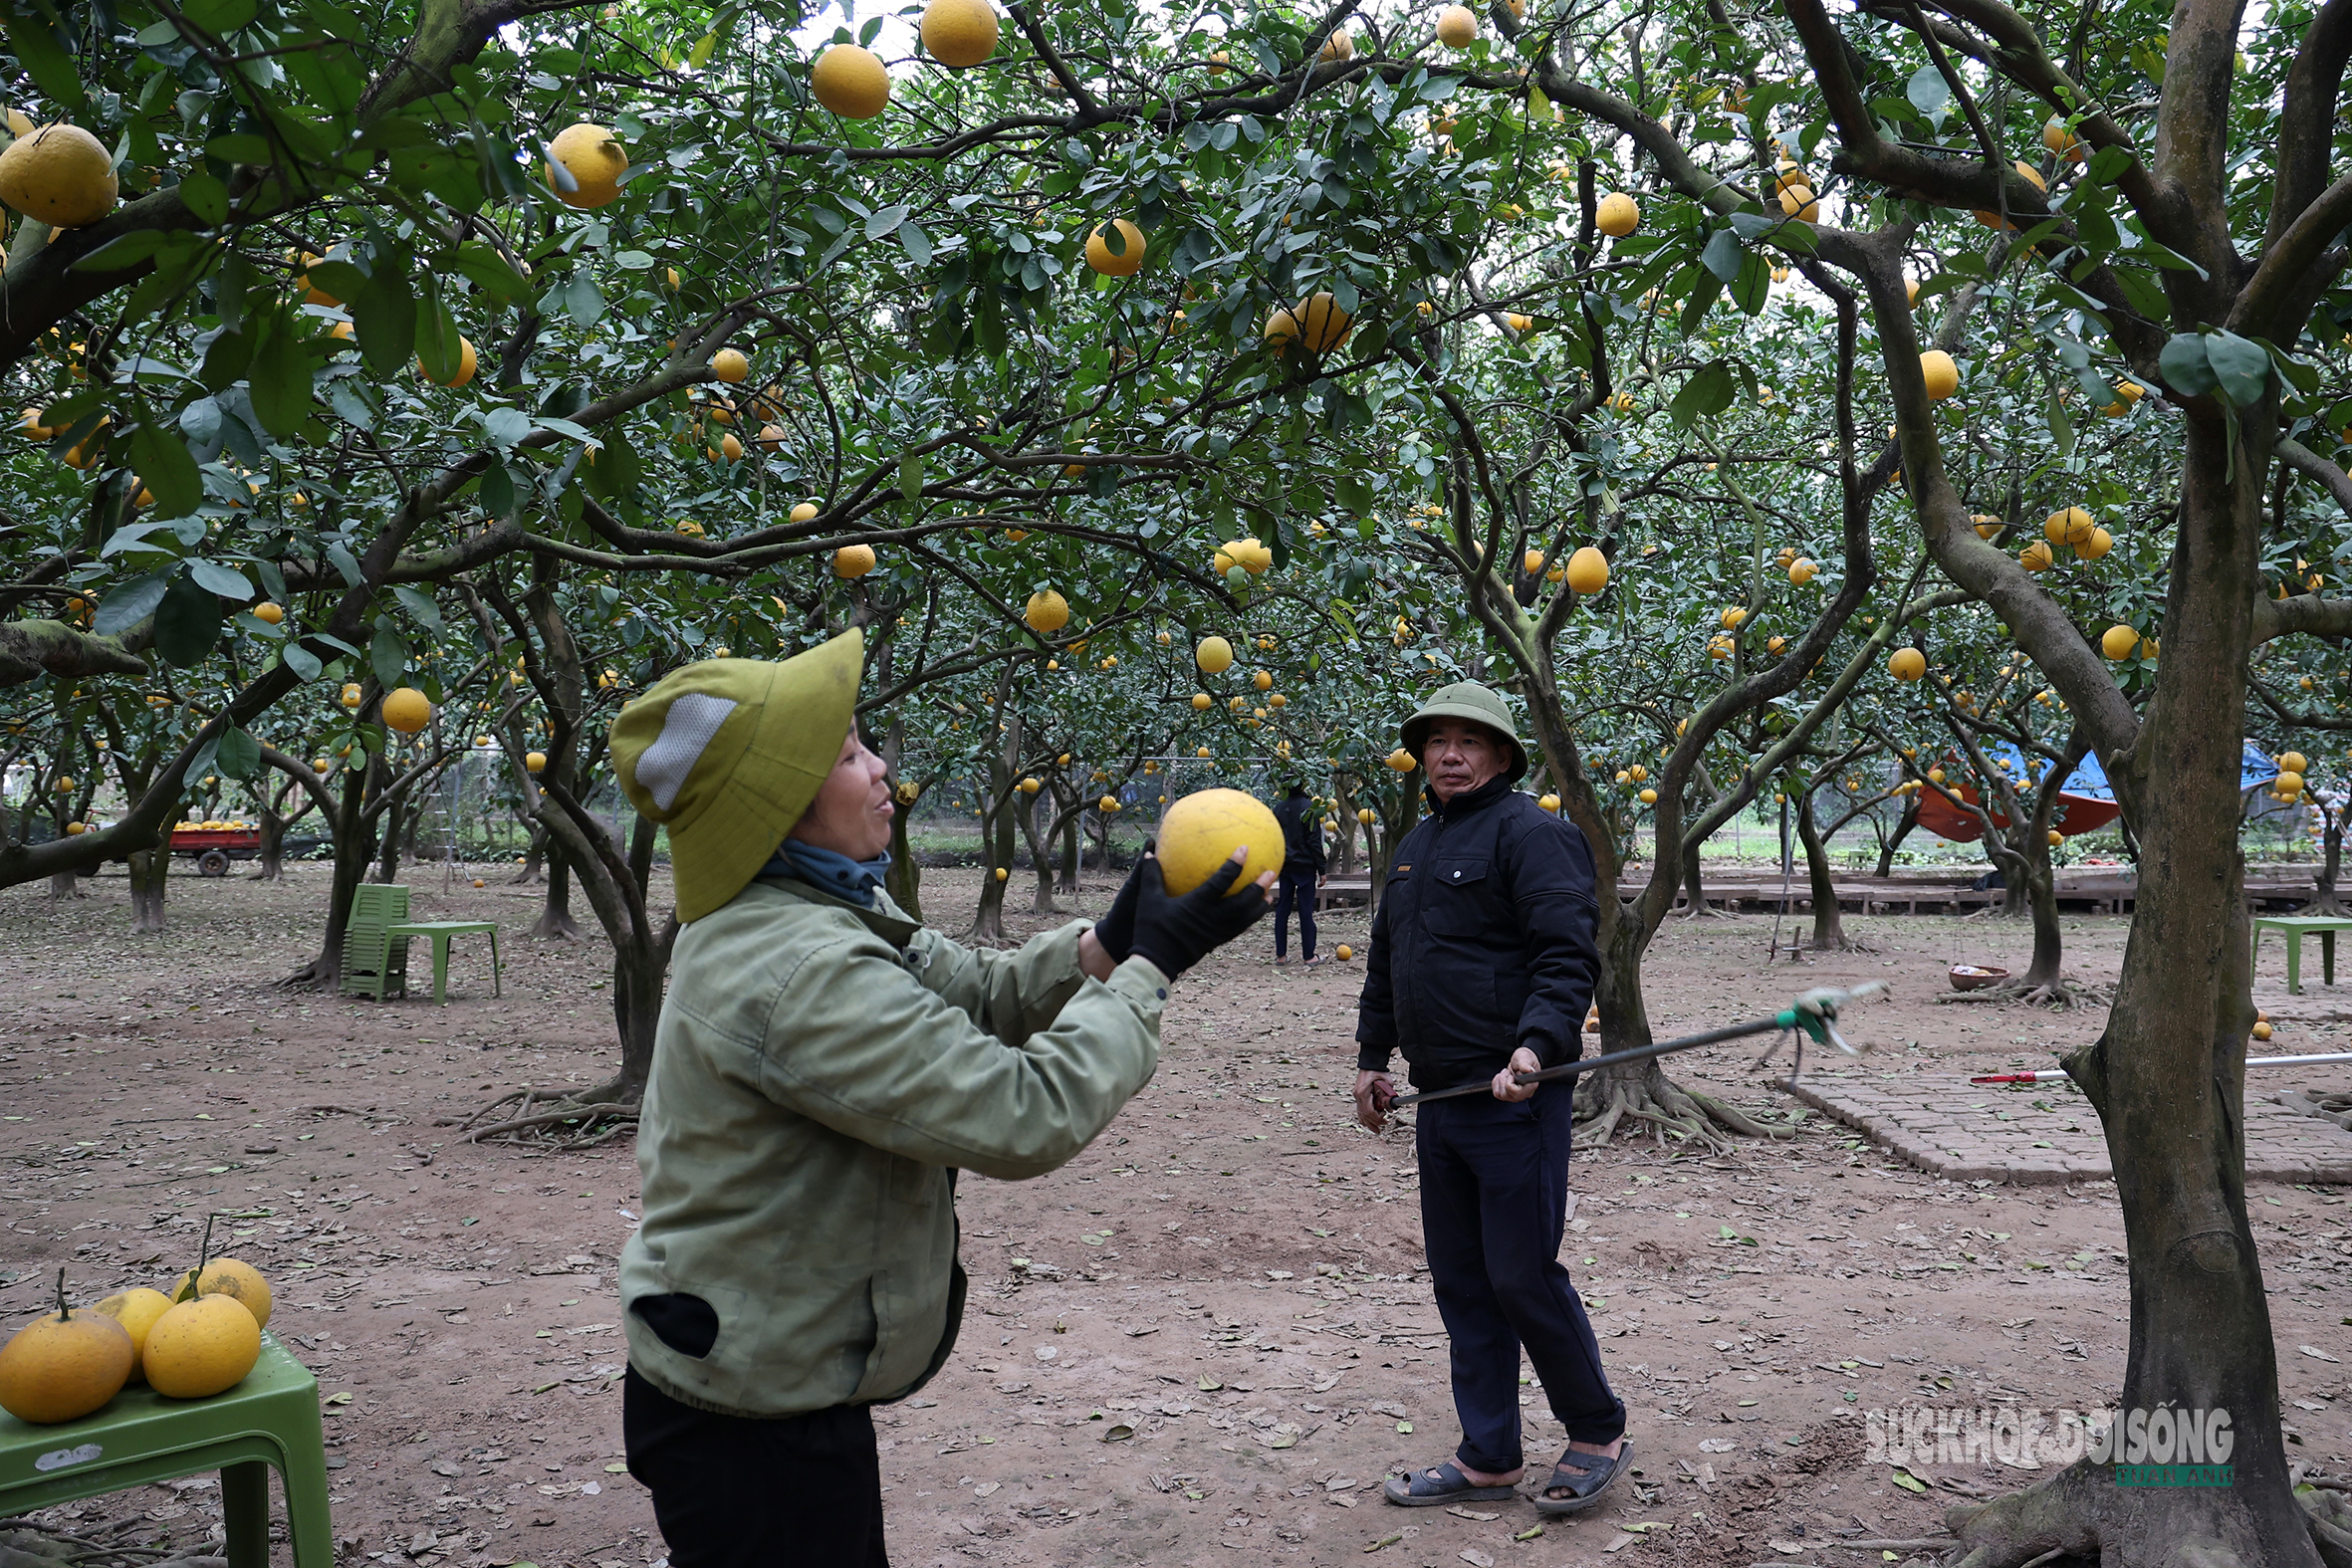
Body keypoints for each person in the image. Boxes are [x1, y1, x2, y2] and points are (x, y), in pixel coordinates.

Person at [609, 630, 1272, 1567]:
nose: (882, 770)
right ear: (776, 809)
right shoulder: (797, 966)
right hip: (751, 1412)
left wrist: (1110, 939)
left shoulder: (819, 910)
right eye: (845, 756)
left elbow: (973, 989)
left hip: (764, 1369)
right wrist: (1153, 969)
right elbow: (1022, 1111)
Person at [1350, 681, 1627, 1515]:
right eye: (1437, 741)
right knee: (1463, 1280)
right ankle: (1490, 1453)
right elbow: (1385, 963)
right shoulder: (1414, 847)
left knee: (1519, 1274)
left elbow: (1565, 957)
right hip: (1442, 1101)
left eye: (1470, 741)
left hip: (1515, 1097)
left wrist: (1538, 1045)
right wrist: (1371, 1057)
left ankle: (1595, 1427)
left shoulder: (1537, 836)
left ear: (1503, 755)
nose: (1451, 754)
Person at [1271, 780, 1327, 965]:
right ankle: (1309, 956)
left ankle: (1281, 956)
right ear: (1302, 785)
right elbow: (1314, 841)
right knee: (1305, 910)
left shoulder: (1278, 808)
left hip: (1285, 866)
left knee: (1282, 909)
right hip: (1305, 867)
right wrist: (1322, 869)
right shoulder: (1309, 808)